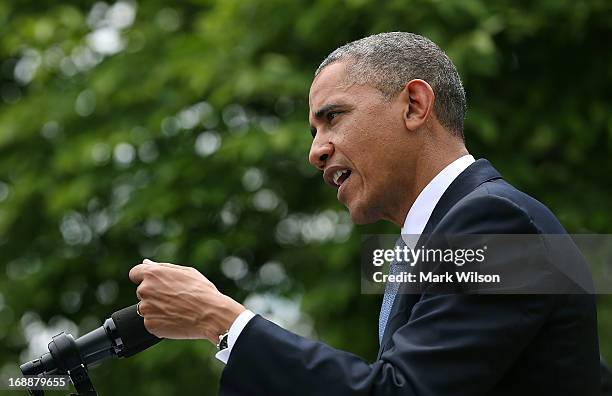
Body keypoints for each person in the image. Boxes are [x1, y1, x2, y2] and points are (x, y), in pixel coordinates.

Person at [128, 32, 601, 395]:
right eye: (313, 129)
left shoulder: (496, 224)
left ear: (415, 106)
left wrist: (222, 321)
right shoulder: (437, 238)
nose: (316, 151)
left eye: (332, 117)